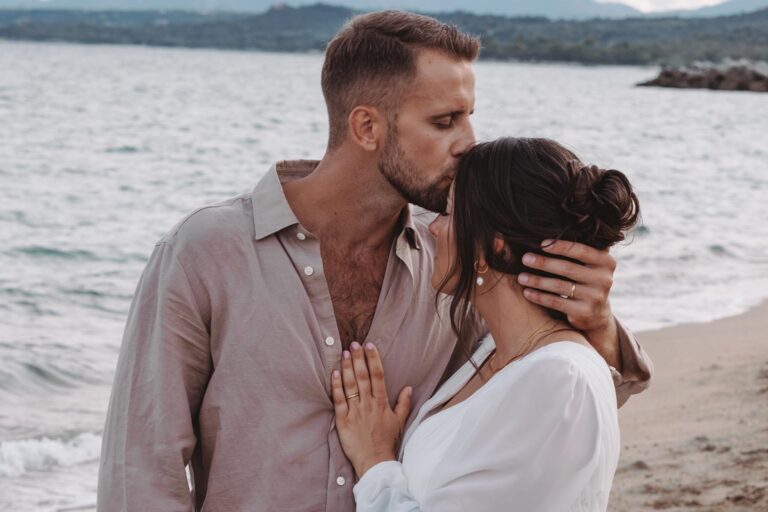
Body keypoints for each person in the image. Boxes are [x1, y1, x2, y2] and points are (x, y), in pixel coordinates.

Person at [97, 11, 652, 512]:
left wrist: (594, 320)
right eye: (445, 121)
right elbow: (141, 472)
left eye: (470, 117)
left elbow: (550, 406)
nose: (469, 143)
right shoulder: (205, 252)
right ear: (366, 127)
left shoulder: (457, 263)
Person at [333, 137, 638, 511]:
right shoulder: (496, 353)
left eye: (447, 213)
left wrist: (375, 461)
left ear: (490, 248)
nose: (432, 229)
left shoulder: (558, 382)